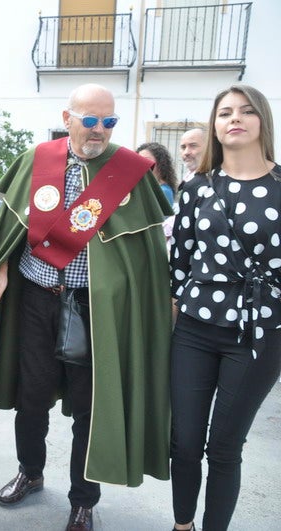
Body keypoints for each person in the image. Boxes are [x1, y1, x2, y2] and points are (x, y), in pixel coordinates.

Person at [0, 83, 172, 531]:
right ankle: (30, 472)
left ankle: (83, 499)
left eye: (109, 121)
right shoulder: (37, 160)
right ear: (68, 119)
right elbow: (11, 228)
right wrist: (2, 269)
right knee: (31, 398)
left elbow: (144, 252)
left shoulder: (131, 171)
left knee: (89, 407)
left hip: (93, 309)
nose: (99, 130)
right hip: (35, 300)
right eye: (90, 119)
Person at [169, 84, 281, 531]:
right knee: (185, 442)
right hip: (196, 329)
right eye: (225, 113)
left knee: (225, 447)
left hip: (260, 335)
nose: (235, 119)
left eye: (246, 111)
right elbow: (180, 261)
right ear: (215, 126)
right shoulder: (196, 189)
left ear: (262, 122)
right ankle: (181, 526)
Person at [136, 141, 178, 207]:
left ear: (160, 162)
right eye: (139, 161)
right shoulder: (148, 187)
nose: (141, 164)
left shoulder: (163, 191)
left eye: (146, 160)